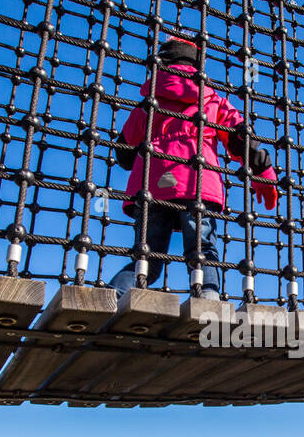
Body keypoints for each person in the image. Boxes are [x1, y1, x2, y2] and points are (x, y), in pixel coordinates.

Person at [108, 35, 278, 299]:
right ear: (198, 65)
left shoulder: (148, 103)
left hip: (153, 186)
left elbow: (124, 155)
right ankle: (208, 298)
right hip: (198, 183)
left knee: (147, 257)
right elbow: (242, 138)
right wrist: (263, 172)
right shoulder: (212, 100)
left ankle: (113, 294)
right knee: (203, 251)